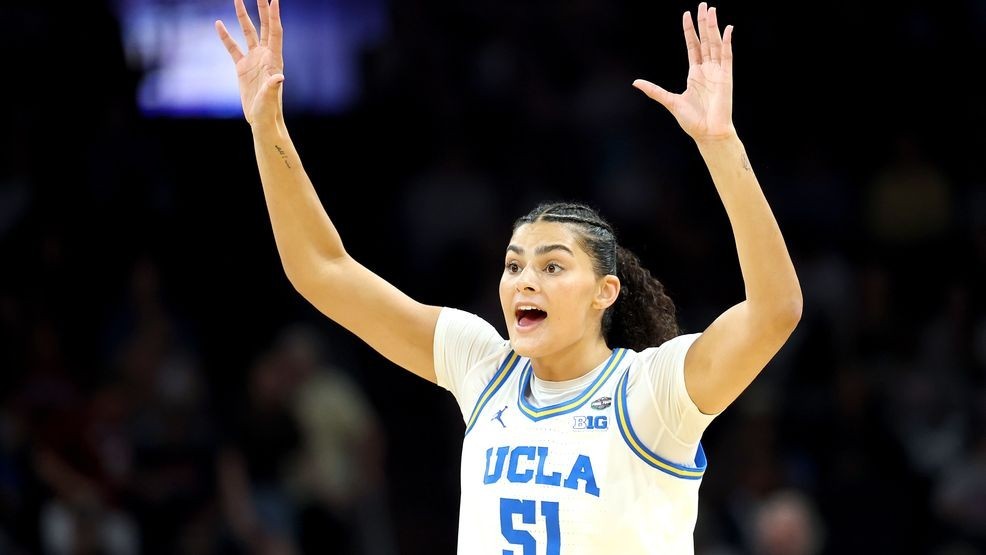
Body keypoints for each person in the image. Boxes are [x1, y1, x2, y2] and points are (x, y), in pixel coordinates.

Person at [215, 1, 802, 553]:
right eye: (514, 264)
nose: (525, 280)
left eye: (552, 266)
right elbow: (323, 270)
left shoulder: (653, 391)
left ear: (606, 291)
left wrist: (721, 145)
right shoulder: (484, 368)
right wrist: (267, 129)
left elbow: (775, 311)